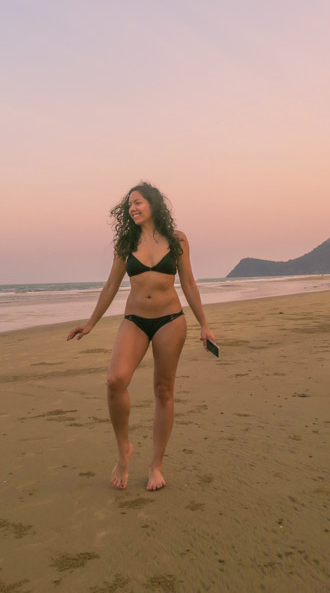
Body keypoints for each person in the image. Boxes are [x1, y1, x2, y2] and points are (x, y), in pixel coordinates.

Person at [67, 181, 216, 492]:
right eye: (129, 205)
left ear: (153, 204)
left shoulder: (178, 240)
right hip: (134, 320)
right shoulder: (127, 242)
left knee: (163, 391)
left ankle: (156, 465)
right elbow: (111, 285)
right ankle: (124, 450)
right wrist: (91, 322)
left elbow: (188, 282)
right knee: (114, 380)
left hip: (170, 321)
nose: (132, 208)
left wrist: (205, 323)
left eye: (138, 202)